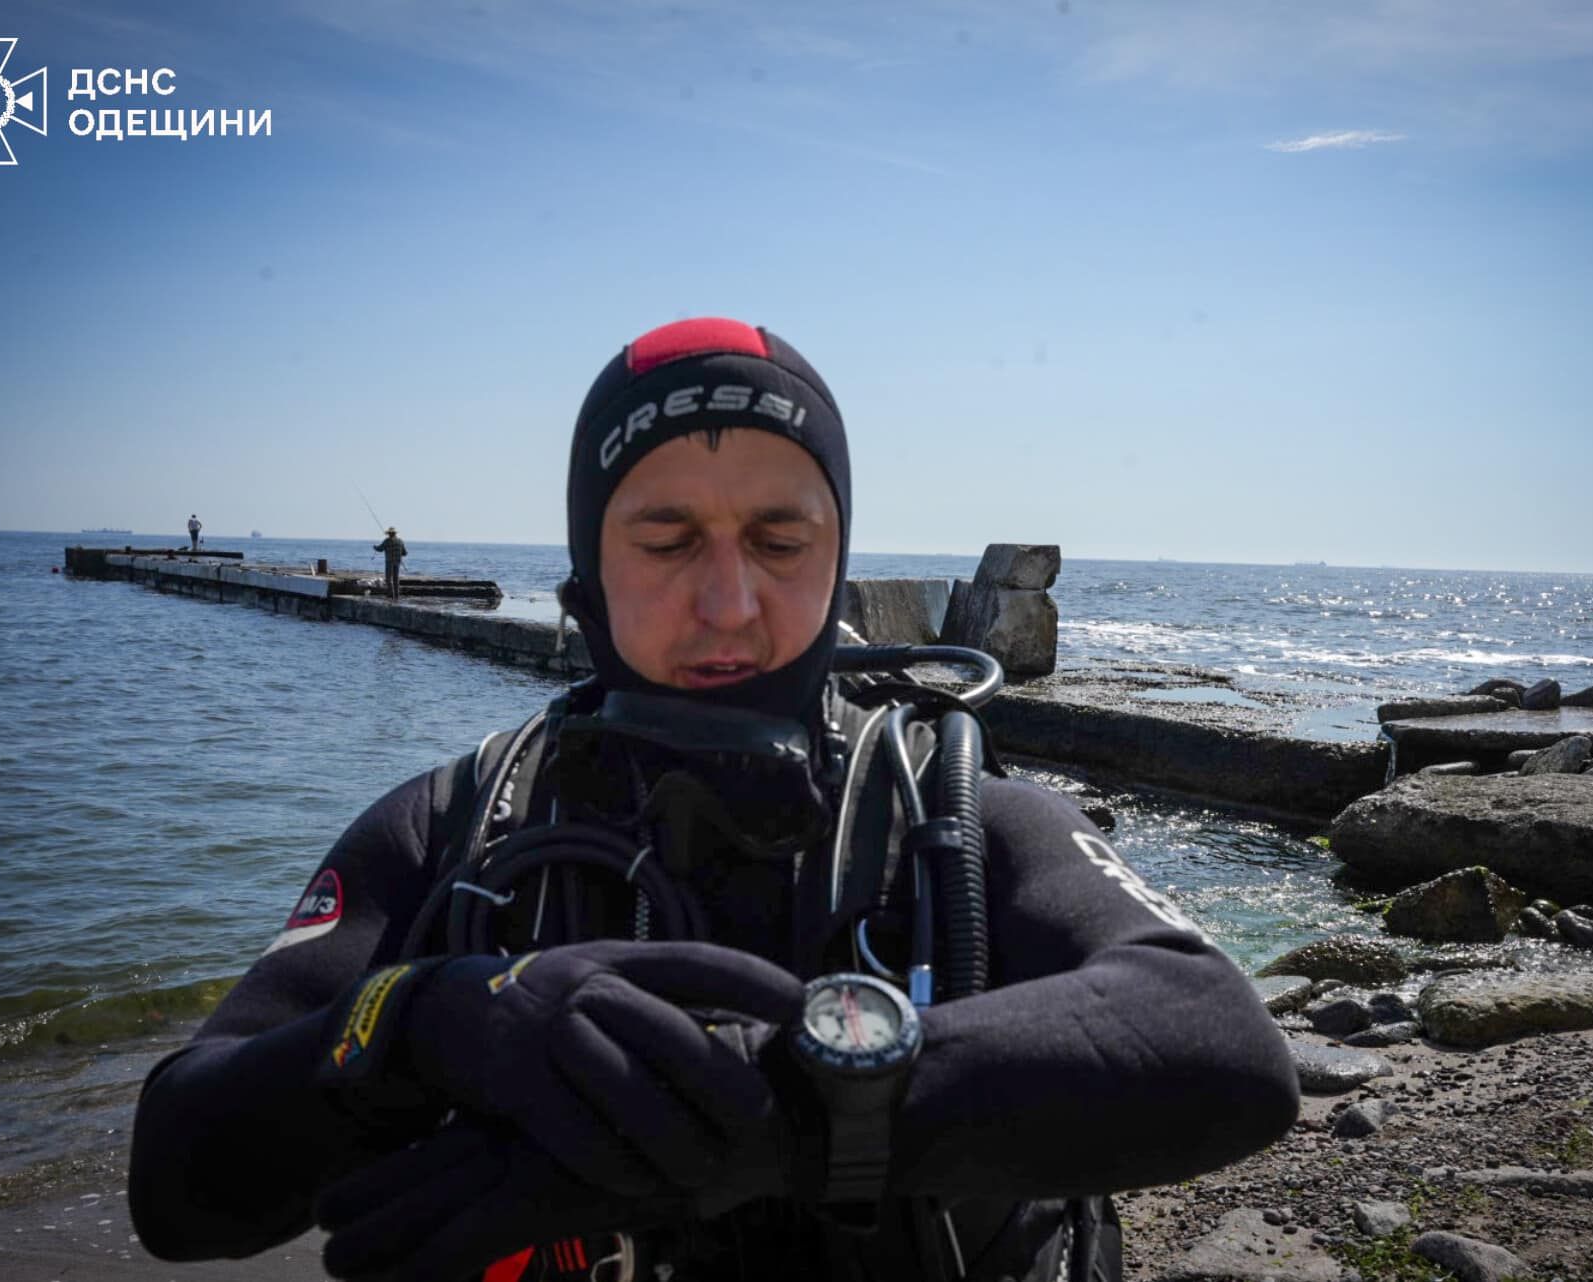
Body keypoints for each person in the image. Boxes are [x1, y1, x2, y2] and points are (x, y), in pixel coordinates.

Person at [128, 318, 1299, 1281]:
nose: (731, 600)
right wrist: (419, 1024)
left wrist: (799, 1108)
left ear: (839, 556)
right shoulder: (455, 831)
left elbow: (1220, 1043)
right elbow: (175, 1183)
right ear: (589, 568)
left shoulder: (948, 814)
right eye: (668, 537)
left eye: (780, 538)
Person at [374, 525, 407, 600]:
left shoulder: (387, 541)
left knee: (388, 579)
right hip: (397, 562)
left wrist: (374, 547)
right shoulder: (400, 541)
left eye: (389, 533)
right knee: (396, 579)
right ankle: (397, 596)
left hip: (389, 562)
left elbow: (380, 549)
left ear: (389, 533)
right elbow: (405, 553)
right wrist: (398, 552)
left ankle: (391, 595)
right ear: (395, 533)